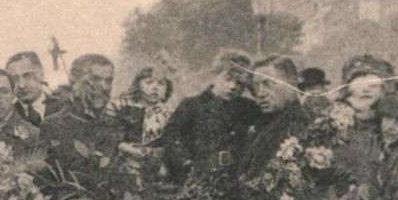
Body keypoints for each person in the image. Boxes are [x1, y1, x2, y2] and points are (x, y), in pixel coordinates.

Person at [158, 50, 256, 182]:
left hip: (235, 179)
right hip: (197, 178)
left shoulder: (249, 108)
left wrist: (253, 88)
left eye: (239, 83)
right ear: (215, 76)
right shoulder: (192, 105)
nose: (232, 86)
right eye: (227, 79)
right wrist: (186, 163)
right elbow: (171, 137)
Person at [329, 54, 398, 190]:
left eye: (373, 86)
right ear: (348, 90)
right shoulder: (332, 124)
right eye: (359, 85)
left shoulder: (395, 124)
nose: (366, 90)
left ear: (385, 90)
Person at [42, 53, 119, 161]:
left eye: (108, 81)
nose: (104, 87)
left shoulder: (115, 123)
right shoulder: (54, 124)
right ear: (74, 81)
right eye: (95, 79)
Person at [242, 55, 311, 174]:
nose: (260, 93)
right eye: (256, 86)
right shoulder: (264, 124)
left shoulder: (302, 124)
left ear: (291, 82)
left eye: (268, 84)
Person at [110, 63, 176, 147]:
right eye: (149, 82)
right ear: (139, 85)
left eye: (161, 84)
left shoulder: (169, 113)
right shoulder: (124, 106)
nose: (155, 87)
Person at [6, 51, 49, 127]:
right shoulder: (7, 116)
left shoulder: (65, 107)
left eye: (27, 76)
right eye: (14, 79)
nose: (21, 85)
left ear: (41, 75)